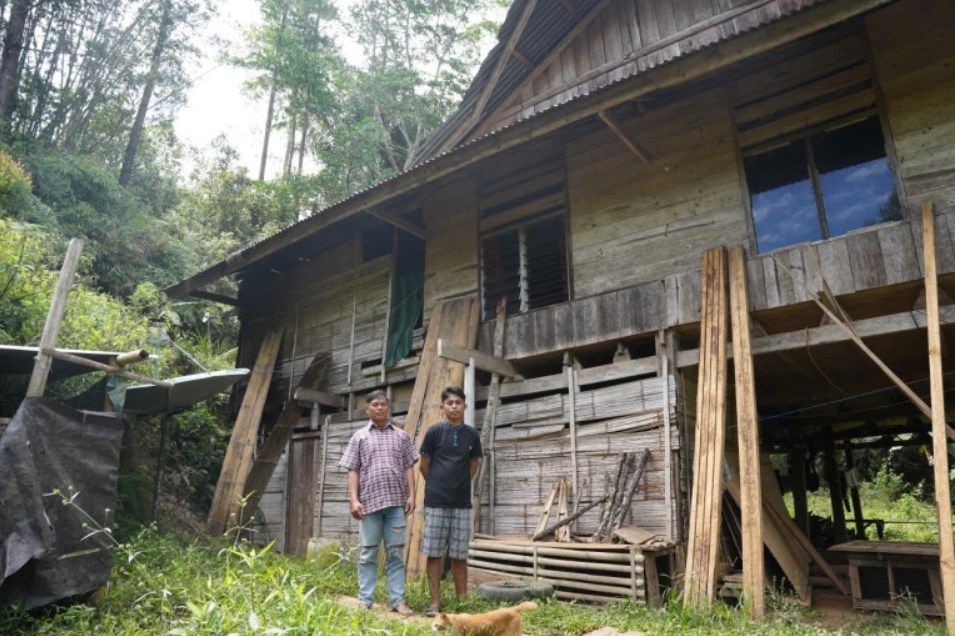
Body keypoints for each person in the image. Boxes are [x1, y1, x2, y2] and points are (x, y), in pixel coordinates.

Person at [339, 390, 418, 615]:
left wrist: (412, 495)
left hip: (396, 505)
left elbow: (408, 467)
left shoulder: (401, 436)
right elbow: (353, 471)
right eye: (375, 404)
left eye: (383, 404)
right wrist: (353, 500)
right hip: (369, 505)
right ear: (368, 410)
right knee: (368, 553)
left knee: (395, 553)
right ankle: (365, 600)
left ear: (389, 408)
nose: (380, 407)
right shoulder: (359, 437)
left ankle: (398, 601)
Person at [419, 386, 483, 615]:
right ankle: (435, 602)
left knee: (459, 555)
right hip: (436, 502)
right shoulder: (434, 432)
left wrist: (459, 484)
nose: (454, 406)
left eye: (458, 402)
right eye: (450, 403)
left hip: (462, 504)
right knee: (434, 552)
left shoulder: (472, 434)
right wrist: (438, 484)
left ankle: (462, 602)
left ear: (464, 406)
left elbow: (473, 464)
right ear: (442, 407)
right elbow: (424, 466)